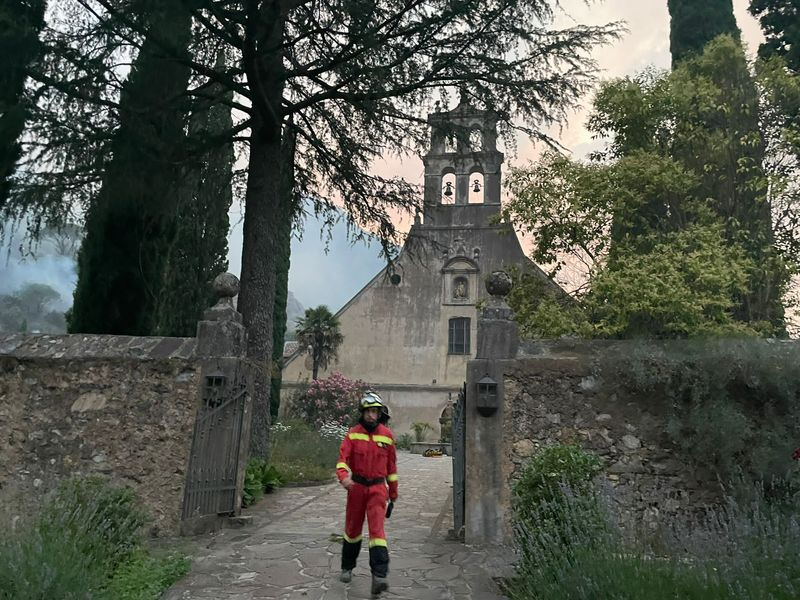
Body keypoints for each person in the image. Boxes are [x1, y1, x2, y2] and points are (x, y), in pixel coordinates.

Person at [336, 391, 398, 595]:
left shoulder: (387, 437)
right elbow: (342, 460)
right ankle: (347, 566)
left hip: (378, 490)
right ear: (362, 412)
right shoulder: (352, 434)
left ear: (380, 413)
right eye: (369, 412)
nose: (372, 415)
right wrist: (344, 477)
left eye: (375, 412)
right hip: (357, 488)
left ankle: (379, 576)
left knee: (377, 533)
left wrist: (394, 495)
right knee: (352, 530)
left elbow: (392, 468)